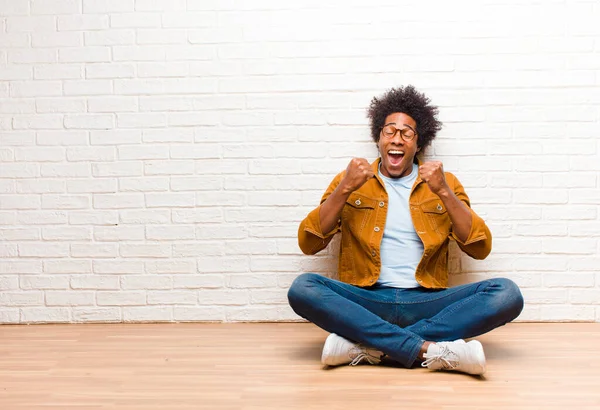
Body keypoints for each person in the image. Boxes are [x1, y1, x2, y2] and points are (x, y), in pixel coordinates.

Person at [287, 85, 524, 375]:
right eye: (389, 131)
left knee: (507, 294)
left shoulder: (443, 182)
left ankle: (369, 346)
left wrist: (444, 192)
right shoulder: (350, 179)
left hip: (426, 301)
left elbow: (480, 247)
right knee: (303, 288)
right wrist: (345, 188)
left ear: (418, 142)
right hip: (367, 299)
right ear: (378, 138)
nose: (397, 139)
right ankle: (427, 349)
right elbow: (309, 242)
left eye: (406, 133)